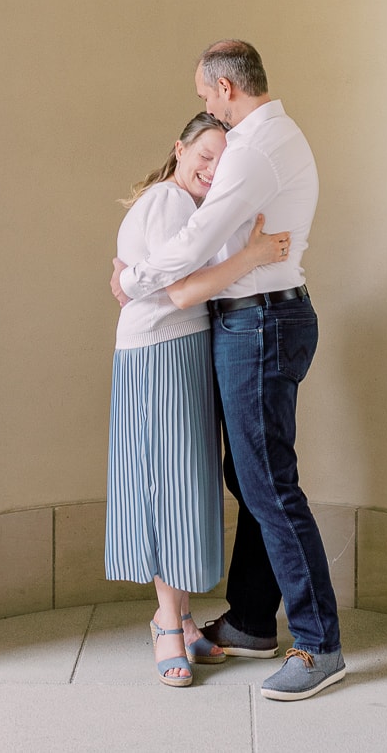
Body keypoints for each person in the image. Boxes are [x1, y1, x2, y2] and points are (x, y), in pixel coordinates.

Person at [111, 40, 345, 703]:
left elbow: (198, 241)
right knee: (246, 474)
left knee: (269, 483)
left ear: (224, 87)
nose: (205, 106)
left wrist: (133, 276)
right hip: (261, 315)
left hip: (262, 320)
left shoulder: (254, 145)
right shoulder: (271, 136)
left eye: (206, 93)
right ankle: (249, 619)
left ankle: (319, 641)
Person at [105, 110, 291, 688]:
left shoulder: (189, 209)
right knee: (171, 483)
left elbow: (171, 283)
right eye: (203, 155)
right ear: (179, 150)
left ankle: (181, 620)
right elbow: (184, 293)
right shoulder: (166, 202)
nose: (212, 168)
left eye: (222, 159)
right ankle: (167, 622)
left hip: (180, 353)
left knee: (183, 481)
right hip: (160, 352)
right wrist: (256, 256)